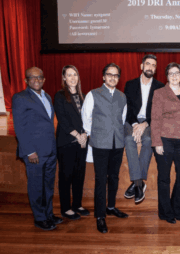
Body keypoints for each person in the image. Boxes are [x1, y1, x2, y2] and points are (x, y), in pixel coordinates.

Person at [12, 67, 63, 230]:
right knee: (36, 186)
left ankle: (48, 214)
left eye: (40, 77)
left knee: (48, 185)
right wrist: (29, 151)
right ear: (26, 81)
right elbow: (19, 127)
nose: (37, 80)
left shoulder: (47, 96)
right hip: (34, 152)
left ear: (44, 79)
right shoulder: (20, 98)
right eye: (32, 77)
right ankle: (40, 218)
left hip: (49, 150)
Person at [81, 63, 128, 233]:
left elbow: (122, 119)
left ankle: (111, 207)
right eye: (109, 74)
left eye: (116, 75)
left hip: (117, 143)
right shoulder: (93, 94)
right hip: (100, 143)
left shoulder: (122, 96)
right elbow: (86, 117)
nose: (112, 78)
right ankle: (100, 215)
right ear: (103, 76)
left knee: (114, 177)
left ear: (119, 78)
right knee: (101, 179)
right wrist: (93, 134)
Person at [151, 62, 180, 224]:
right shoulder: (159, 93)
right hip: (164, 139)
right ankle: (165, 212)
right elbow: (155, 119)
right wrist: (157, 142)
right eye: (171, 73)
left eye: (177, 73)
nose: (174, 76)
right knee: (164, 178)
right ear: (167, 76)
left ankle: (178, 210)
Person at [123, 54, 164, 203]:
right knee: (128, 139)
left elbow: (159, 112)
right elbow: (127, 109)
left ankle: (136, 183)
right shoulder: (130, 84)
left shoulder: (160, 87)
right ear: (141, 66)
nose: (150, 67)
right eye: (148, 64)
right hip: (131, 120)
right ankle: (139, 184)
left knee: (147, 139)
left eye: (153, 65)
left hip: (149, 122)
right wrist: (135, 125)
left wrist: (145, 124)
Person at [54, 65, 89, 220]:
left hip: (81, 142)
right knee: (66, 176)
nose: (73, 78)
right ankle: (66, 208)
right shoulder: (60, 95)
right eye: (69, 75)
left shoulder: (83, 96)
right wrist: (78, 135)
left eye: (75, 74)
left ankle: (77, 204)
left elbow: (88, 118)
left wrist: (85, 135)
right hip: (67, 142)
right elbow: (63, 120)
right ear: (64, 78)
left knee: (79, 175)